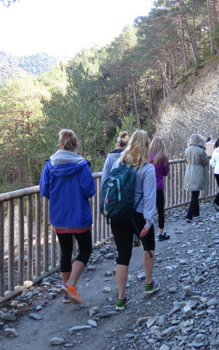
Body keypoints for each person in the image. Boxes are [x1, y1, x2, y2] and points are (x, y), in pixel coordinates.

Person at [39, 129, 96, 304]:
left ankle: (66, 293)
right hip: (79, 216)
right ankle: (70, 285)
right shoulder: (82, 165)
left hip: (59, 216)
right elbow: (89, 191)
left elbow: (44, 191)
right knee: (85, 249)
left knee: (66, 252)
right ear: (75, 145)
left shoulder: (50, 165)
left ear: (61, 144)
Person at [109, 130, 159, 310]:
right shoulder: (147, 168)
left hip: (119, 214)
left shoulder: (118, 163)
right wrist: (148, 221)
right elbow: (149, 197)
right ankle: (148, 282)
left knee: (122, 254)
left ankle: (121, 298)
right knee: (148, 246)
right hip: (138, 215)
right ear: (147, 145)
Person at [149, 136, 170, 240]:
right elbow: (166, 172)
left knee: (147, 210)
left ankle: (145, 233)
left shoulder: (147, 157)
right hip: (158, 187)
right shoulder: (163, 157)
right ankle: (161, 233)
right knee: (161, 210)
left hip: (148, 188)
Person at [184, 133, 209, 222]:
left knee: (194, 193)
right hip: (197, 173)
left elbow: (185, 161)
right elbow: (206, 162)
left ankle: (196, 213)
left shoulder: (187, 150)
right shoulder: (200, 151)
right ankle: (189, 216)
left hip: (189, 172)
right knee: (195, 195)